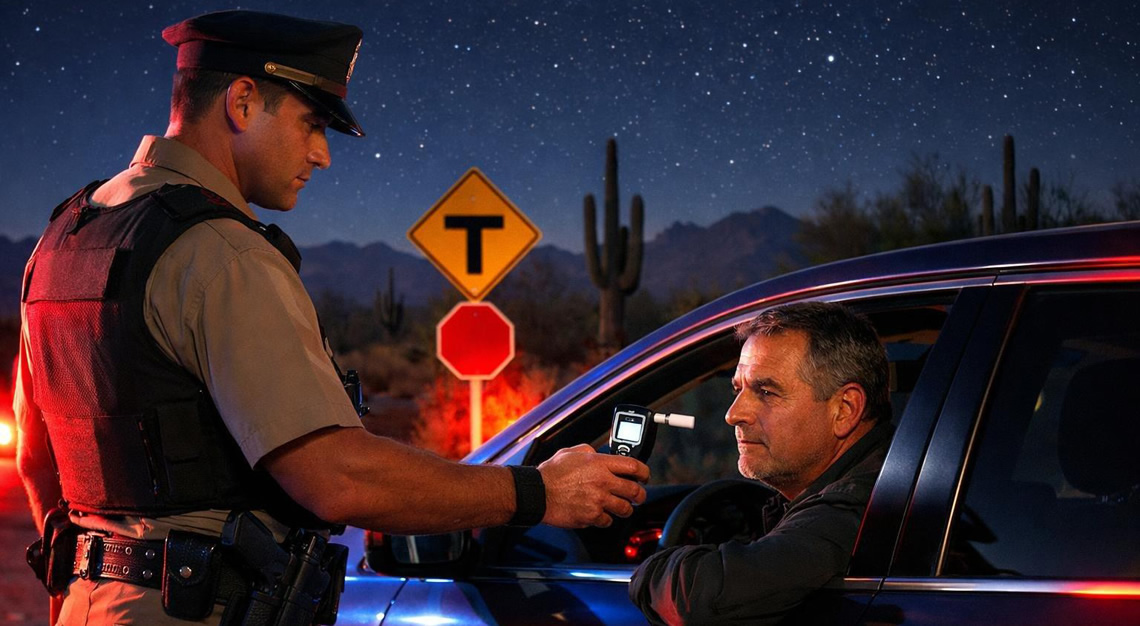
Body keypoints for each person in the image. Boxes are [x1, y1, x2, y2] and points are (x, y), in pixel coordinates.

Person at [14, 10, 649, 625]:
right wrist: (538, 493)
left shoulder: (66, 237)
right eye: (310, 123)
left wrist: (77, 584)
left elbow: (39, 458)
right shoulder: (222, 253)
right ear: (241, 102)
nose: (321, 154)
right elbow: (337, 477)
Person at [629, 301, 894, 624]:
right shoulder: (881, 478)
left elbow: (702, 600)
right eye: (738, 389)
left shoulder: (862, 504)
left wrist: (650, 572)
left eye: (766, 392)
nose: (733, 414)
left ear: (845, 409)